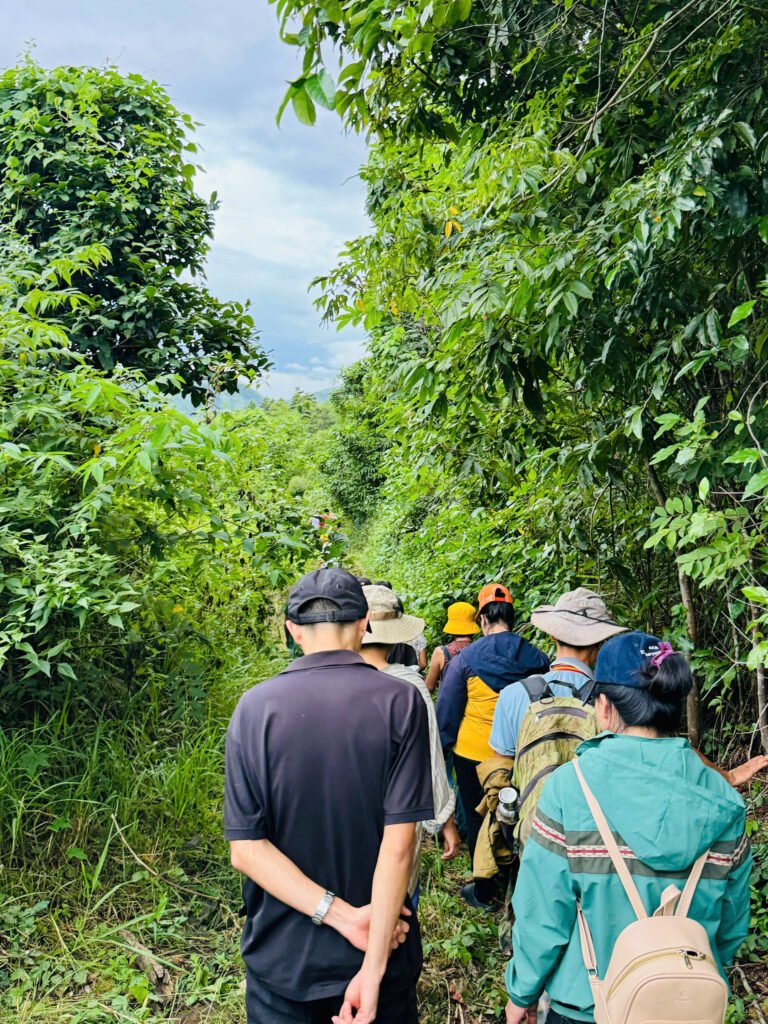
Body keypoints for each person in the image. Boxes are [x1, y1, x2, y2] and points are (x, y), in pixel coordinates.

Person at [504, 632, 752, 1024]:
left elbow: (543, 913)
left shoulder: (571, 788)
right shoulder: (724, 800)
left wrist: (523, 992)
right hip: (685, 1005)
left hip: (587, 1003)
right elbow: (731, 926)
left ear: (604, 707)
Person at [225, 568, 434, 1024]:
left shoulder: (254, 708)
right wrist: (372, 970)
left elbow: (247, 849)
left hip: (284, 961)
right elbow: (399, 848)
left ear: (293, 630)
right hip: (384, 949)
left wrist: (339, 916)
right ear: (363, 625)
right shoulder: (401, 702)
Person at [437, 583, 549, 907]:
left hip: (474, 756)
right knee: (523, 815)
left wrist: (442, 749)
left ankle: (484, 890)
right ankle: (520, 884)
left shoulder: (465, 660)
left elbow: (447, 711)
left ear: (483, 620)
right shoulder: (537, 658)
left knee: (477, 820)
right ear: (512, 618)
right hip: (522, 754)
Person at [359, 584, 461, 898]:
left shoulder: (333, 680)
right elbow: (430, 756)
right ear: (394, 637)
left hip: (348, 811)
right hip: (399, 811)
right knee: (399, 894)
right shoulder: (409, 686)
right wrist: (445, 819)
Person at [490, 588, 627, 760]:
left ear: (553, 635)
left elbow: (500, 767)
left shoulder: (512, 695)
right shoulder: (612, 700)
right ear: (600, 642)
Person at [425, 601, 480, 693]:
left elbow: (429, 687)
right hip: (476, 700)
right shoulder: (482, 649)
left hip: (449, 701)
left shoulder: (441, 652)